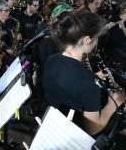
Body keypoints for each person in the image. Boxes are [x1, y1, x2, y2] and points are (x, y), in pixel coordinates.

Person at [42, 10, 126, 140]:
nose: (97, 42)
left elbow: (70, 84)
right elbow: (92, 128)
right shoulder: (88, 82)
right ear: (87, 40)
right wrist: (114, 103)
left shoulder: (52, 59)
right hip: (75, 132)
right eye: (97, 37)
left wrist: (93, 79)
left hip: (55, 122)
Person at [107, 2, 126, 72]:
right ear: (125, 10)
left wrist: (123, 28)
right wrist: (107, 27)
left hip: (123, 47)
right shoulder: (113, 19)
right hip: (113, 47)